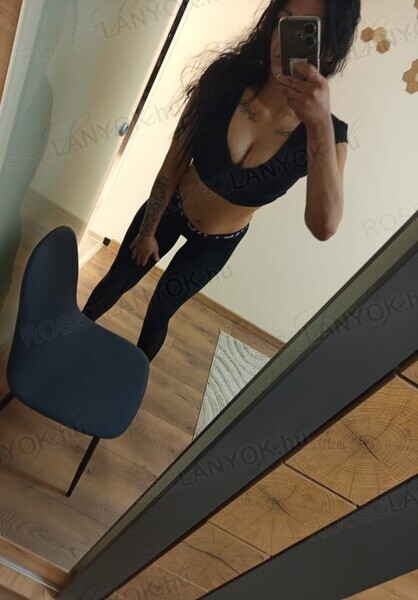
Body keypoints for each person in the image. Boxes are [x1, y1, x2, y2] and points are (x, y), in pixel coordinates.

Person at [82, 0, 361, 362]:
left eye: (306, 29)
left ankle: (127, 381)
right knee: (114, 282)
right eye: (284, 20)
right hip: (170, 210)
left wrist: (319, 123)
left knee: (160, 312)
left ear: (331, 48)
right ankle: (62, 350)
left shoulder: (327, 136)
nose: (284, 39)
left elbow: (325, 225)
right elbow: (173, 164)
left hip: (216, 245)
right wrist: (148, 231)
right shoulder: (225, 80)